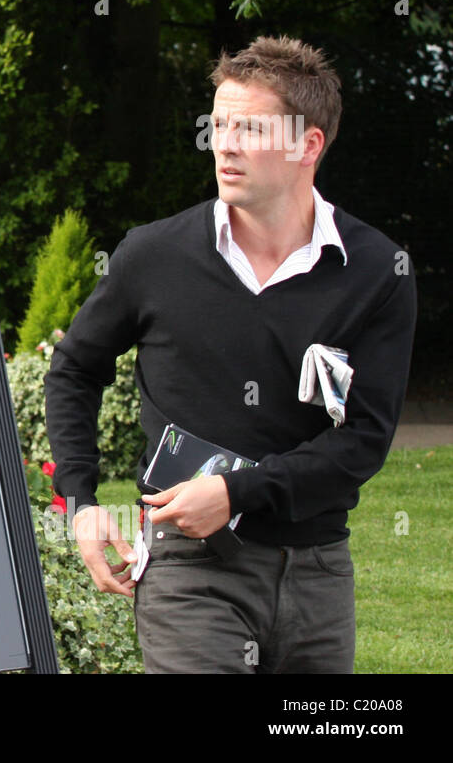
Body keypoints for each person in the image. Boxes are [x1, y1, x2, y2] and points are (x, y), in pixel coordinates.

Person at [44, 36, 417, 674]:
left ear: (309, 145)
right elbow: (75, 370)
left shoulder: (378, 271)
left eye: (249, 127)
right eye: (218, 125)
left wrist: (237, 491)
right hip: (189, 566)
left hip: (318, 571)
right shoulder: (153, 256)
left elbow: (363, 440)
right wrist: (79, 505)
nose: (224, 143)